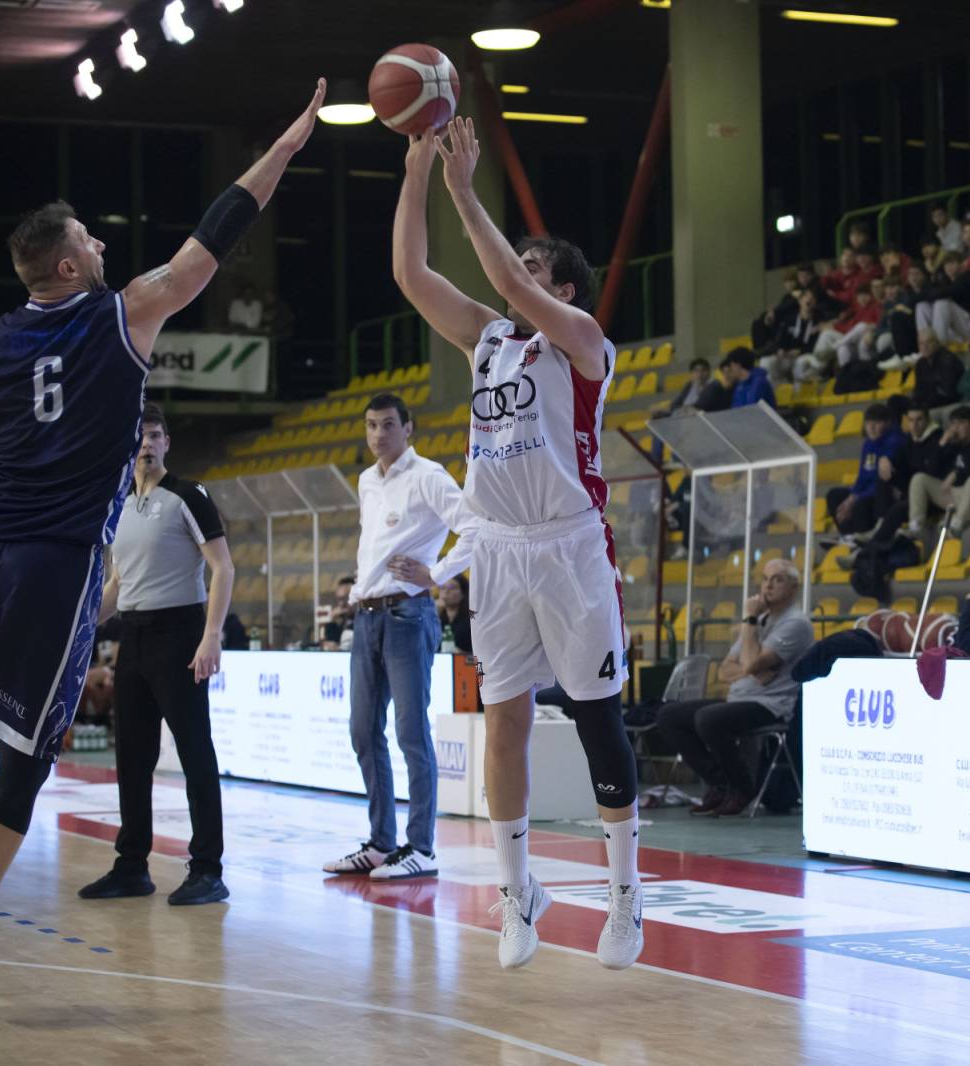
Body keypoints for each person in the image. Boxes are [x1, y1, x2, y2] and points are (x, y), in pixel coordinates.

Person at [0, 80, 330, 1012]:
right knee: (31, 742)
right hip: (53, 560)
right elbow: (215, 236)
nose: (103, 246)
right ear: (66, 266)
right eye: (90, 241)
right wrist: (289, 146)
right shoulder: (125, 312)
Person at [392, 118, 644, 971]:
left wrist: (465, 189)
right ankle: (517, 894)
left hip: (571, 548)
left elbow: (499, 273)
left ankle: (625, 895)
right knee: (504, 722)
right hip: (499, 550)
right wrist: (417, 172)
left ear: (564, 288)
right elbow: (411, 273)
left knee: (597, 717)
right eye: (520, 265)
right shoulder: (488, 340)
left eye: (535, 268)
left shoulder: (584, 344)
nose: (514, 275)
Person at [77, 401, 235, 907]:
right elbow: (116, 583)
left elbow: (223, 568)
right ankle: (131, 866)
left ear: (167, 443)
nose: (146, 444)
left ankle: (207, 869)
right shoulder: (118, 506)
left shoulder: (188, 496)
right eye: (139, 437)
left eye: (155, 436)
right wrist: (81, 628)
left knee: (194, 753)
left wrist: (211, 635)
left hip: (180, 634)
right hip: (134, 637)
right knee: (132, 756)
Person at [322, 392, 476, 882]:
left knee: (411, 733)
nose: (378, 434)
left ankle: (422, 847)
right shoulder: (367, 480)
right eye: (371, 425)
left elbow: (474, 527)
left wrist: (437, 575)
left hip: (408, 615)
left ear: (408, 428)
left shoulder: (428, 475)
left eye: (388, 424)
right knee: (362, 731)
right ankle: (380, 842)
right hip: (366, 616)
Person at [656, 559, 813, 819]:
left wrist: (749, 623)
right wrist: (753, 669)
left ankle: (742, 788)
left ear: (794, 588)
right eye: (765, 579)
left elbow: (748, 662)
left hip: (771, 705)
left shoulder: (794, 623)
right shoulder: (761, 620)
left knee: (708, 718)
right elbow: (724, 669)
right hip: (739, 699)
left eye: (778, 579)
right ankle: (720, 783)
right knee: (669, 716)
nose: (768, 585)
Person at [906, 405, 970, 537]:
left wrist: (957, 474)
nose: (956, 428)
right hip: (957, 495)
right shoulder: (953, 445)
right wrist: (942, 444)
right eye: (953, 424)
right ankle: (916, 527)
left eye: (961, 423)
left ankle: (957, 525)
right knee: (919, 479)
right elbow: (931, 469)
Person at [824, 404, 906, 539]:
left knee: (860, 505)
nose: (871, 428)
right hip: (865, 493)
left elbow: (881, 482)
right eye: (868, 423)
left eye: (876, 423)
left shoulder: (894, 441)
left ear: (887, 423)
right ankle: (849, 537)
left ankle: (862, 538)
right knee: (834, 496)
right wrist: (852, 497)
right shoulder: (868, 444)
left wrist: (856, 499)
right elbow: (862, 477)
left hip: (883, 495)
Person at [652, 357, 729, 417]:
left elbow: (701, 405)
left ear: (709, 372)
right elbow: (675, 404)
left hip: (706, 419)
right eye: (696, 371)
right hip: (686, 417)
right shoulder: (689, 386)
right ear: (692, 374)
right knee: (657, 415)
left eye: (703, 370)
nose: (700, 374)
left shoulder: (714, 385)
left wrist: (684, 409)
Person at [437, 575, 473, 655]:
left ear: (463, 593)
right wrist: (435, 613)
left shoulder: (471, 619)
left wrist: (462, 654)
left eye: (452, 587)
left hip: (465, 661)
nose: (446, 591)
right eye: (442, 587)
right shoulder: (436, 616)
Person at [319, 575, 356, 649]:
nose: (341, 604)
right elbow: (332, 642)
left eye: (344, 598)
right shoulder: (343, 621)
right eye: (339, 599)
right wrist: (331, 620)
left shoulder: (364, 620)